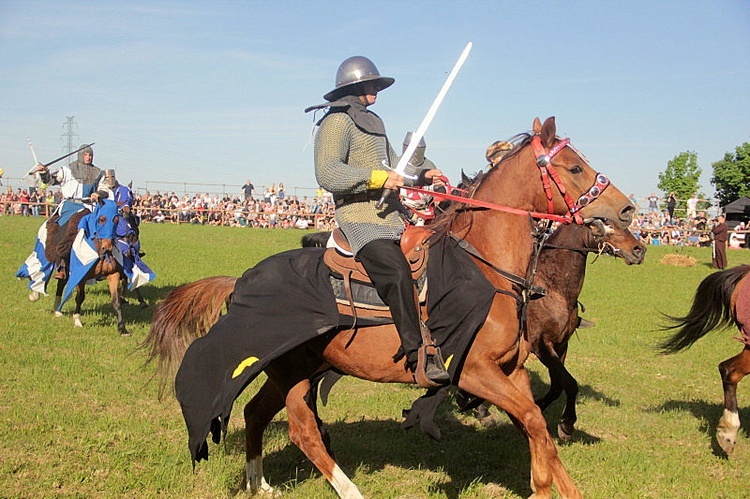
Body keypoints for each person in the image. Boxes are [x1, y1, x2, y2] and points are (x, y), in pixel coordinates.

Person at [307, 55, 450, 386]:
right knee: (397, 273)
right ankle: (417, 355)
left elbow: (396, 169)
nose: (377, 90)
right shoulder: (336, 122)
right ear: (357, 87)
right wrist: (376, 179)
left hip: (395, 218)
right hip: (360, 218)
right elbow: (328, 172)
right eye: (373, 84)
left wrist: (423, 176)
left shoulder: (373, 122)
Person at [31, 144, 105, 279]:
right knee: (61, 228)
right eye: (86, 155)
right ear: (80, 155)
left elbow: (104, 188)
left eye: (91, 155)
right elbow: (51, 181)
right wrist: (44, 172)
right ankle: (62, 263)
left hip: (88, 207)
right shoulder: (67, 170)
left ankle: (102, 264)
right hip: (69, 206)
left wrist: (98, 193)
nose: (89, 157)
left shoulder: (98, 172)